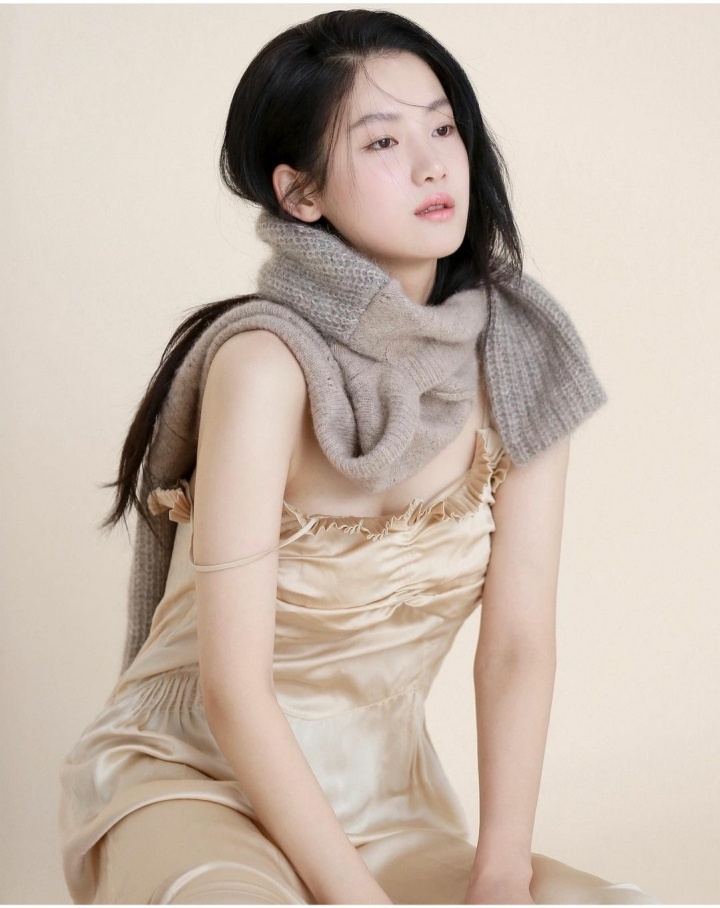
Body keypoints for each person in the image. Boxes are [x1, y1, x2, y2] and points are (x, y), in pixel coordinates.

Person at [58, 9, 661, 905]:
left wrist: (502, 874)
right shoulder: (264, 367)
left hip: (384, 800)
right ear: (301, 194)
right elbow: (233, 692)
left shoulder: (524, 353)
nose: (433, 165)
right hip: (194, 777)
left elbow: (517, 648)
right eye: (382, 141)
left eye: (443, 129)